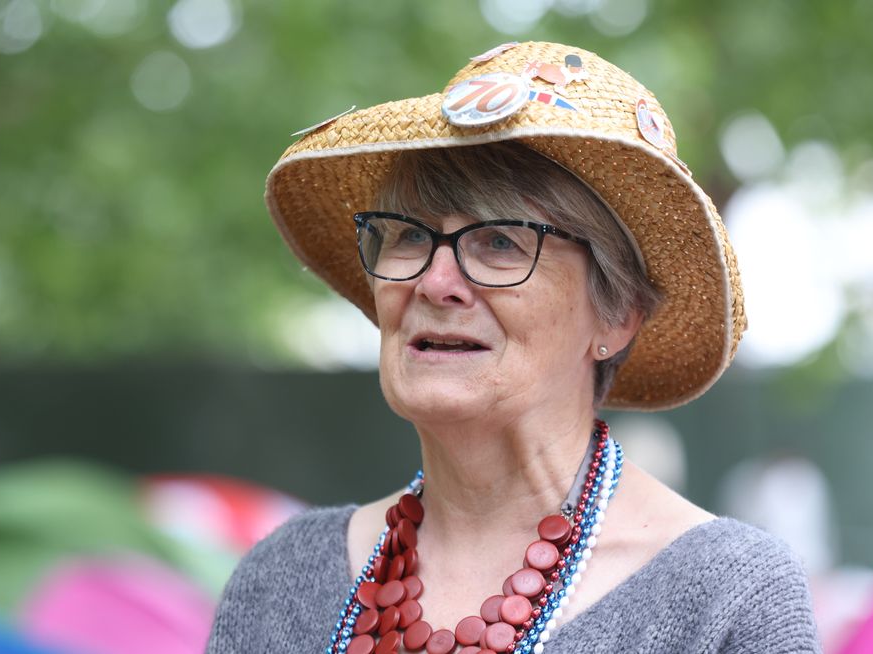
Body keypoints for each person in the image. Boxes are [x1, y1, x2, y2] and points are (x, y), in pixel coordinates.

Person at [206, 41, 821, 653]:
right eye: (407, 237)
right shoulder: (282, 580)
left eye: (499, 242)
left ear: (617, 317)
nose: (435, 282)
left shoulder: (728, 600)